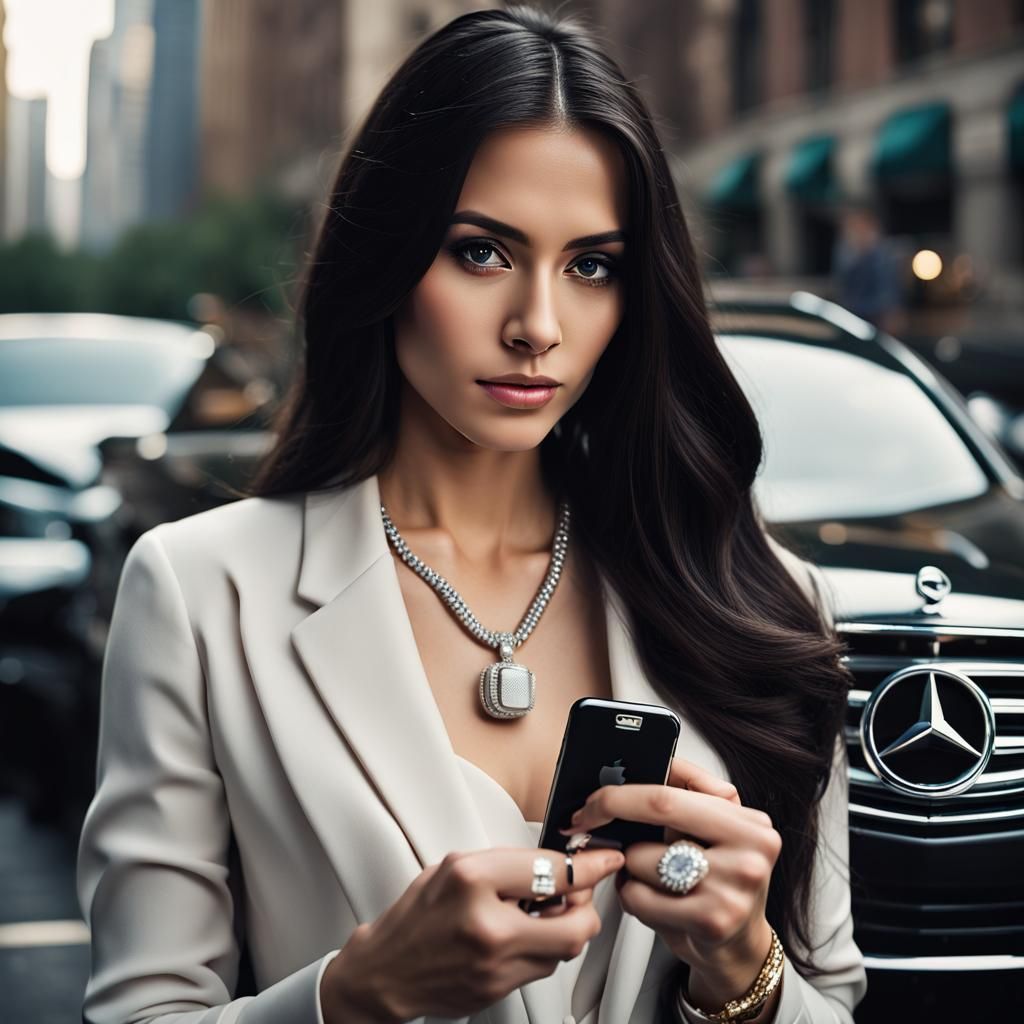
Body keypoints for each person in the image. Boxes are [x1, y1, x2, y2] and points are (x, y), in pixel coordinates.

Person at [76, 6, 867, 1023]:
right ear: (388, 256)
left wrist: (742, 972)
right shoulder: (201, 592)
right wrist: (355, 993)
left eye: (591, 265)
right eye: (483, 252)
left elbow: (830, 993)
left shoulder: (760, 599)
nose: (538, 325)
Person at [831, 202, 905, 335]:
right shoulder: (846, 251)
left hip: (877, 312)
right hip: (853, 312)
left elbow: (888, 283)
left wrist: (892, 311)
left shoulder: (881, 251)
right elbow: (843, 282)